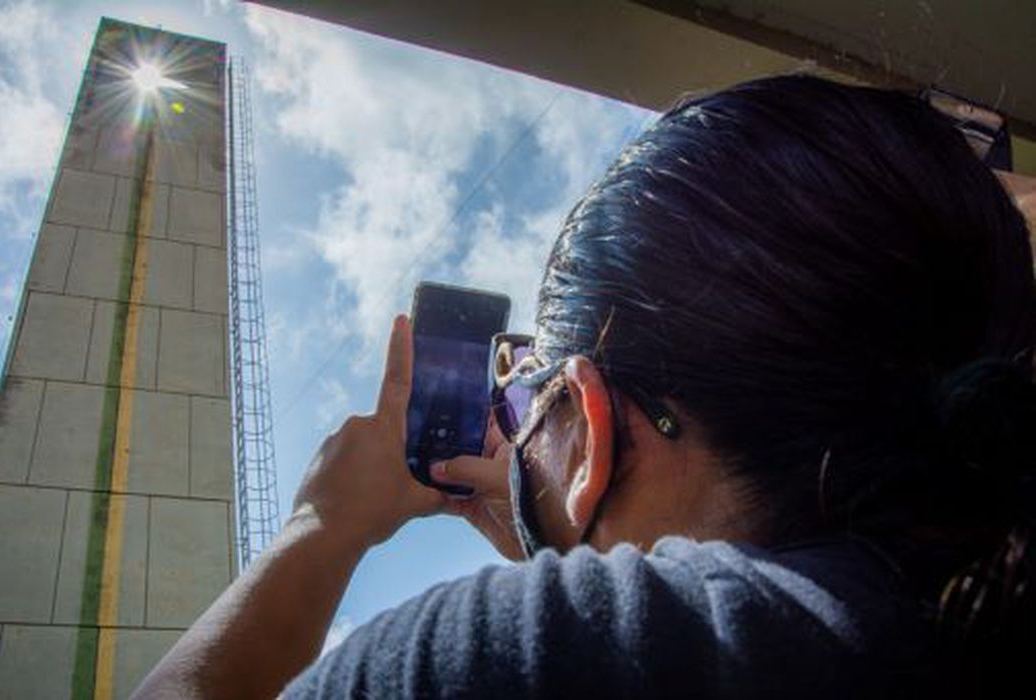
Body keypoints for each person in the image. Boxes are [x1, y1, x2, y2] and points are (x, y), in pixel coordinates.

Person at [135, 75, 1036, 699]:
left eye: (529, 405)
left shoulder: (529, 656)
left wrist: (320, 526)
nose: (515, 428)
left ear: (591, 421)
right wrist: (573, 532)